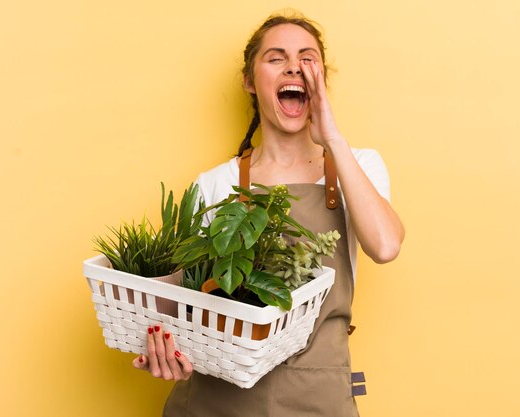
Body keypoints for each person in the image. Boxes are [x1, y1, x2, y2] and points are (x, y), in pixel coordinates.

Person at [132, 12, 405, 417]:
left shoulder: (356, 165)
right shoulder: (214, 184)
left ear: (320, 81)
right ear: (248, 80)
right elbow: (179, 303)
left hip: (318, 398)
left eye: (307, 59)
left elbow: (384, 245)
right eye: (276, 58)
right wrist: (162, 345)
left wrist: (331, 138)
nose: (293, 66)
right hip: (214, 401)